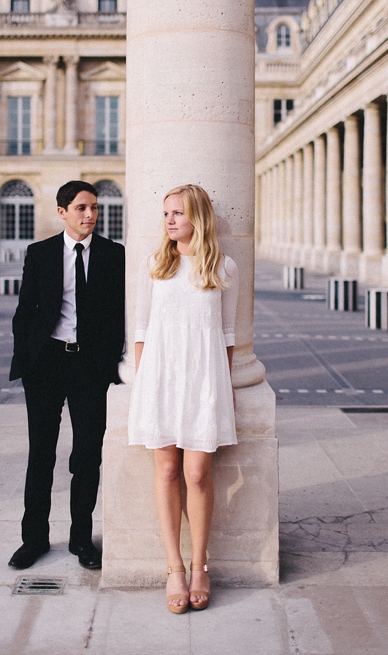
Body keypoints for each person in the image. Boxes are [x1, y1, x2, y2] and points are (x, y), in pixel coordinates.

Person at [128, 184, 238, 612]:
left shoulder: (223, 266)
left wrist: (221, 387)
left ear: (199, 217)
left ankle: (200, 564)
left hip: (203, 381)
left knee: (196, 473)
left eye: (178, 213)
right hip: (160, 377)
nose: (170, 220)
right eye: (166, 213)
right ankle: (174, 566)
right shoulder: (155, 263)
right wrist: (144, 383)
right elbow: (140, 329)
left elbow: (228, 335)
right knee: (169, 469)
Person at [8, 181, 125, 571]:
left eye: (94, 208)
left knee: (87, 455)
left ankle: (81, 540)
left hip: (90, 368)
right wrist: (26, 360)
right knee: (41, 453)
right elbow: (26, 312)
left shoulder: (113, 255)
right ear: (62, 212)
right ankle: (34, 540)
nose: (90, 215)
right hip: (46, 365)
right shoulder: (39, 253)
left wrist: (110, 365)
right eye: (81, 208)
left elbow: (117, 316)